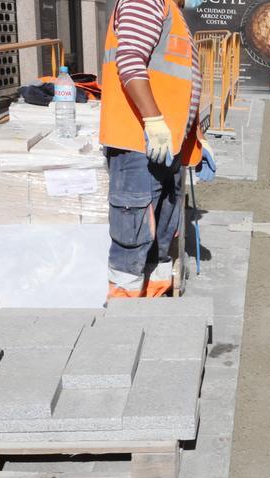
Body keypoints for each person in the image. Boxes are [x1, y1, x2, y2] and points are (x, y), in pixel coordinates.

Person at [101, 0, 218, 300]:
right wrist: (153, 120)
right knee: (133, 241)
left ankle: (154, 315)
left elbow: (176, 87)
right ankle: (124, 323)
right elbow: (129, 60)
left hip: (165, 147)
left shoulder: (172, 11)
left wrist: (195, 141)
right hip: (139, 146)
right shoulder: (146, 1)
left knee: (161, 238)